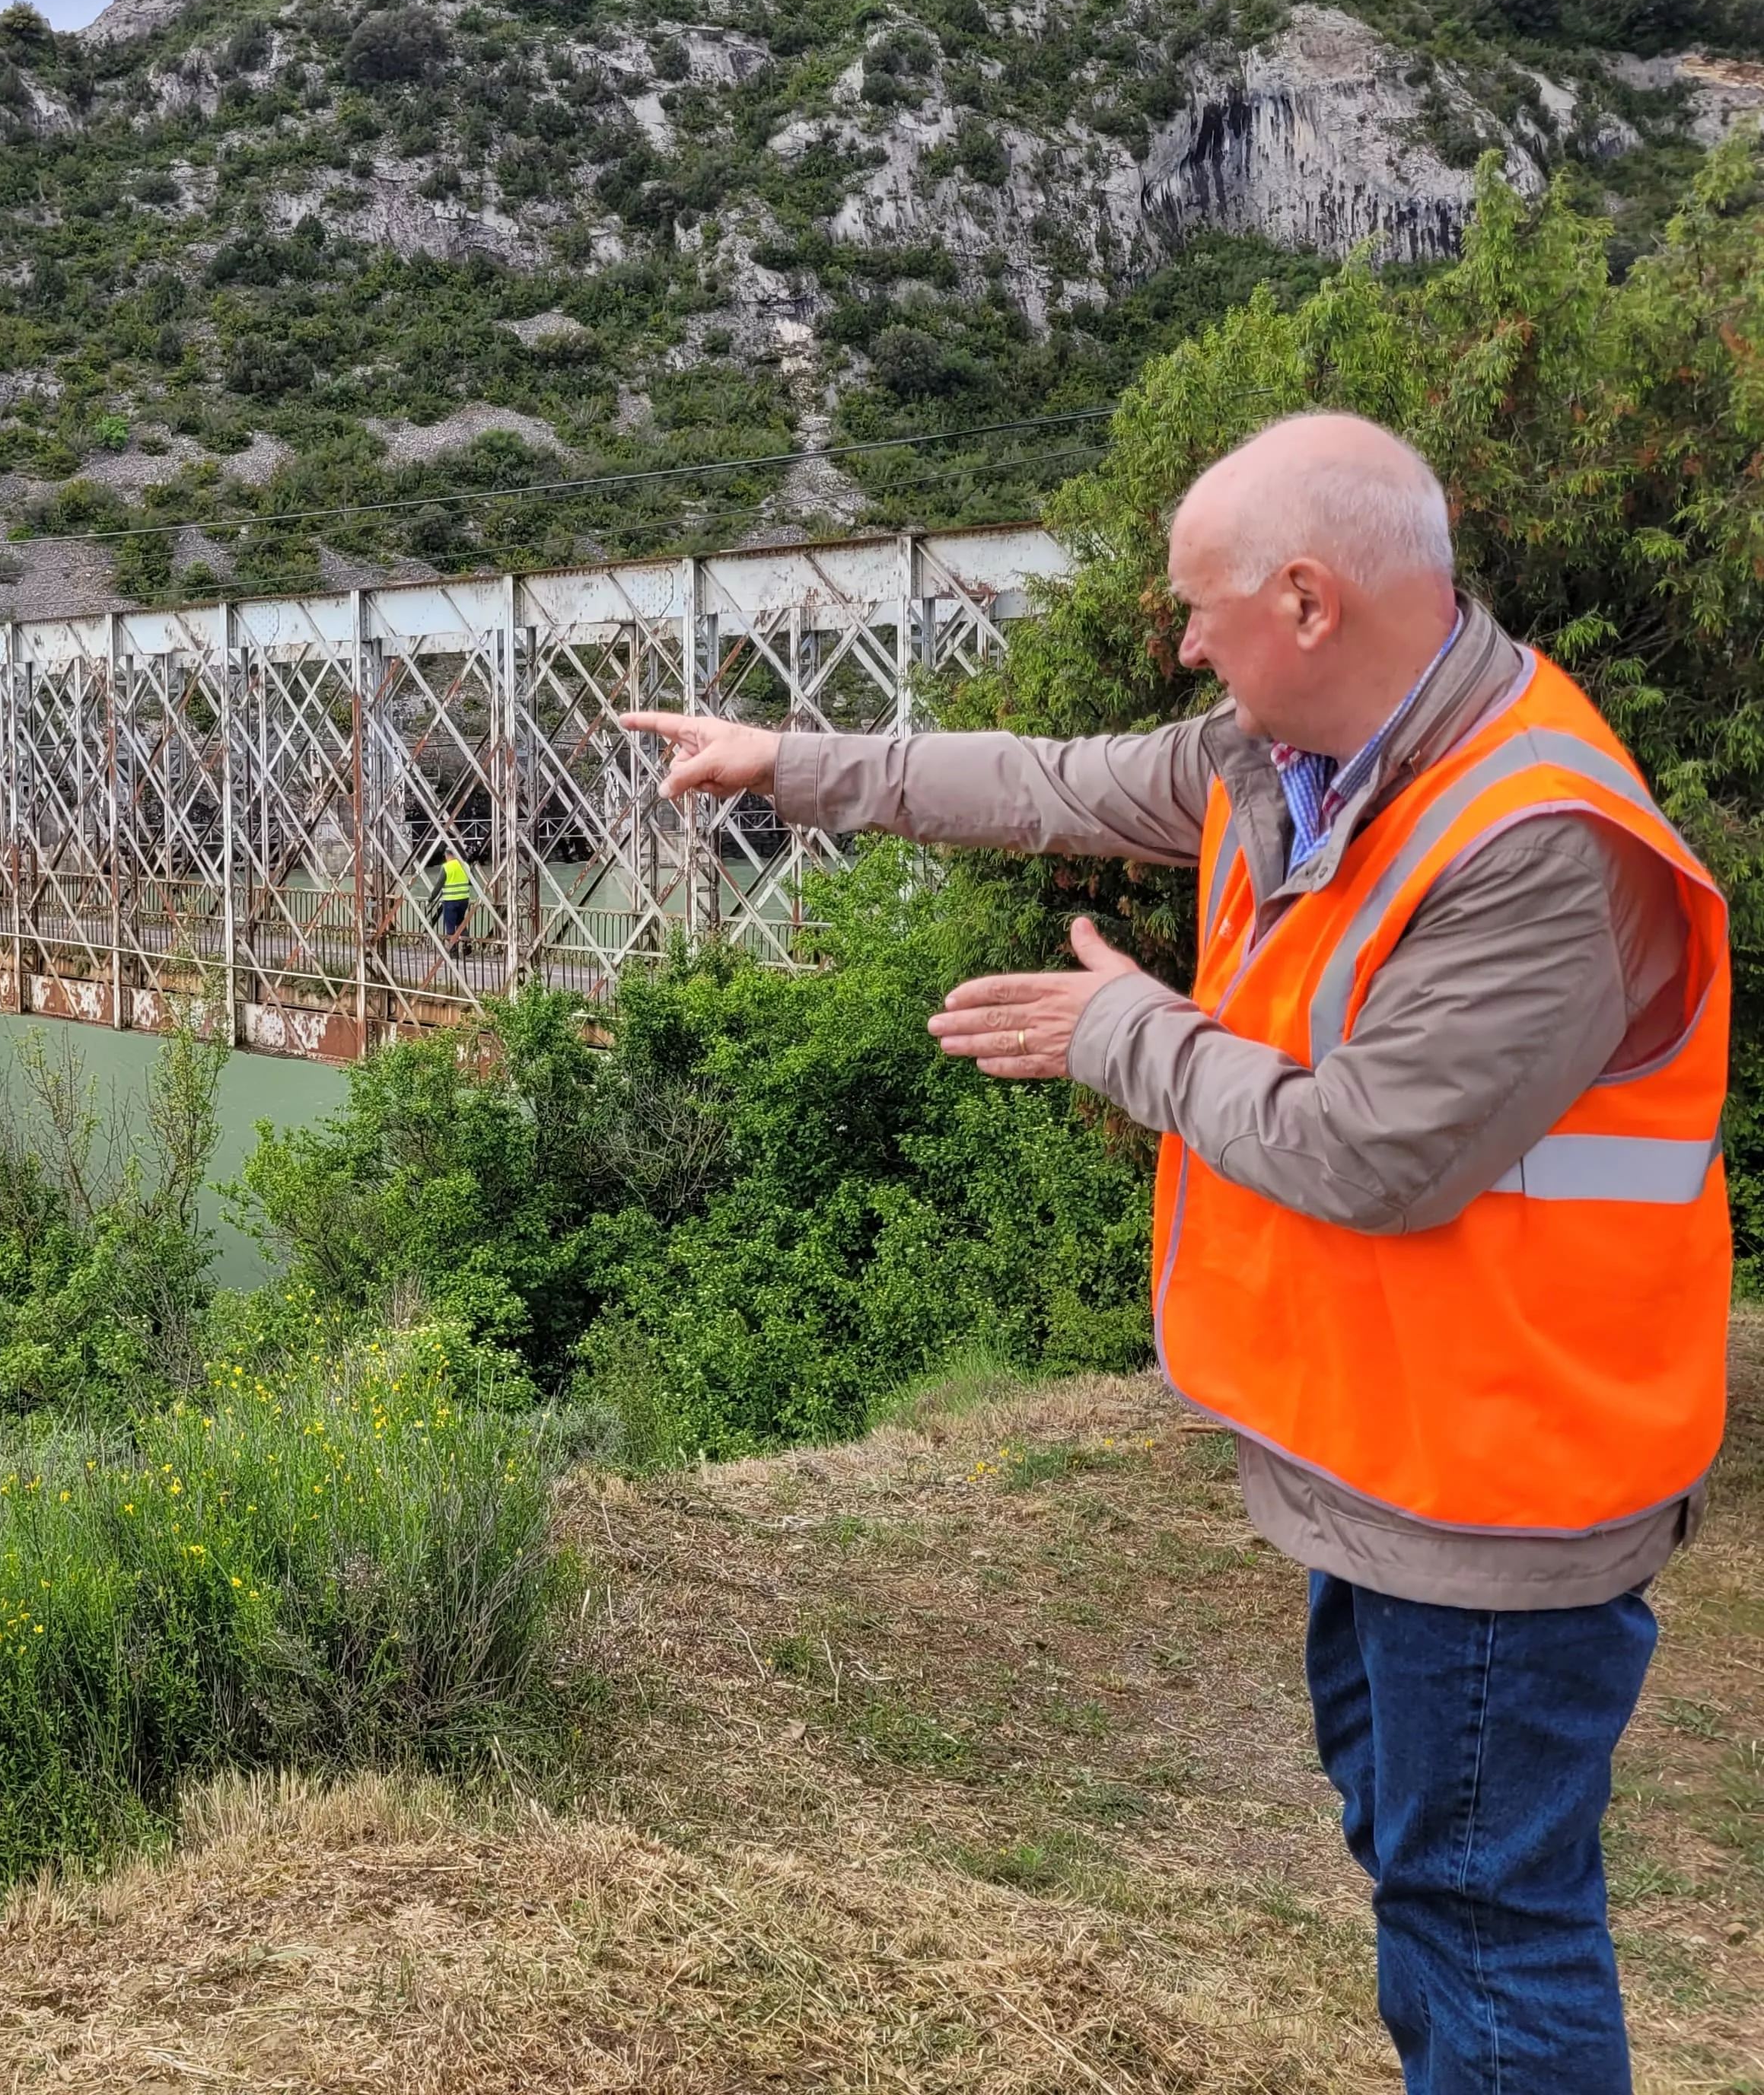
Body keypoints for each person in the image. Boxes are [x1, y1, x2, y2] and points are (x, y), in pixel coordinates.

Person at [620, 411, 1731, 2095]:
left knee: (1493, 1925)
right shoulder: (1283, 763)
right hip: (1388, 1452)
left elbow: (1373, 1154)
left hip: (1506, 1492)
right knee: (1433, 1887)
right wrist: (791, 764)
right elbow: (1046, 778)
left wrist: (1124, 1029)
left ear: (1305, 604)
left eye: (1200, 609)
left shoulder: (1535, 842)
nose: (1183, 641)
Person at [433, 845, 474, 943]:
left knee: (450, 925)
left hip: (450, 901)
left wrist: (431, 898)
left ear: (448, 855)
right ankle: (466, 946)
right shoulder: (465, 865)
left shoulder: (446, 867)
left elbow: (439, 885)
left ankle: (453, 950)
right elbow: (472, 882)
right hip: (464, 900)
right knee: (460, 923)